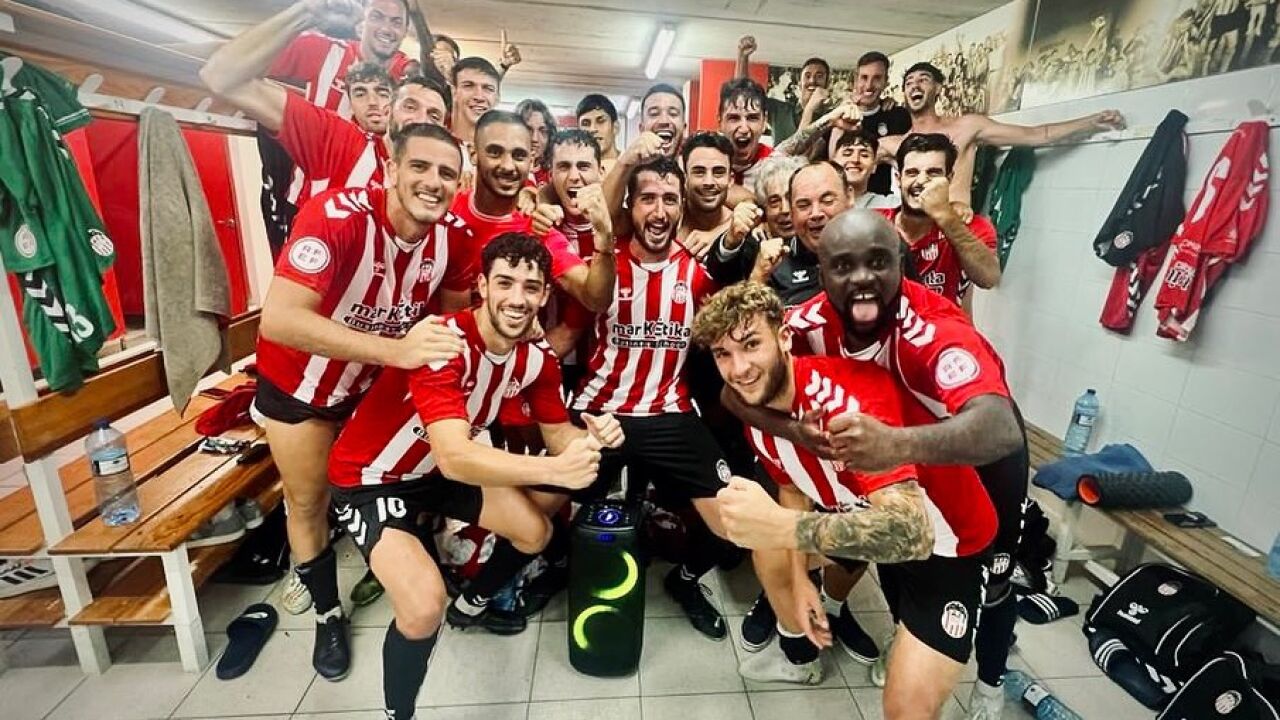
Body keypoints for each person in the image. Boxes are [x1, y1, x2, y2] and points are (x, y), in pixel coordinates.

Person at [743, 209, 1030, 720]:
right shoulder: (806, 323)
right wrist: (796, 431)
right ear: (822, 272)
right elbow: (736, 387)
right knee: (852, 548)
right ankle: (849, 624)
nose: (861, 279)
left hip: (980, 470)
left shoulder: (933, 327)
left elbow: (998, 430)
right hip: (887, 477)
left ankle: (990, 681)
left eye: (877, 262)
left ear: (901, 261)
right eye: (843, 266)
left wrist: (896, 444)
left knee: (992, 588)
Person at [327, 232, 625, 719]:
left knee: (535, 532)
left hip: (437, 470)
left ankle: (473, 602)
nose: (517, 298)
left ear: (545, 295)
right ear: (482, 286)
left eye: (531, 287)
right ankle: (398, 714)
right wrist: (554, 468)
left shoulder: (536, 357)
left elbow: (558, 435)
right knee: (423, 608)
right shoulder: (445, 343)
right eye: (504, 283)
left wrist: (593, 439)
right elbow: (456, 457)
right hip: (373, 476)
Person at [695, 282, 997, 717]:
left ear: (784, 338)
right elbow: (793, 489)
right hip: (859, 513)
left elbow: (910, 532)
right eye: (723, 354)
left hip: (946, 543)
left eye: (751, 344)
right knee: (771, 551)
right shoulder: (756, 411)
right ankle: (804, 650)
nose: (739, 368)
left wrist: (785, 528)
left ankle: (902, 635)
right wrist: (801, 578)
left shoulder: (841, 401)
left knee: (907, 709)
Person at [251, 123, 475, 680]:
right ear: (391, 169)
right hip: (301, 386)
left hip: (371, 390)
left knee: (390, 488)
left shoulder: (454, 238)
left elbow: (450, 324)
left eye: (447, 173)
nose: (433, 181)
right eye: (419, 166)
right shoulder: (336, 215)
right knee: (308, 502)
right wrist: (394, 350)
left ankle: (394, 567)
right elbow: (279, 318)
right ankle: (327, 614)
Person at [570, 156, 736, 639]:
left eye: (669, 200)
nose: (659, 212)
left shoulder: (697, 273)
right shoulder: (603, 264)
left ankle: (684, 581)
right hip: (600, 410)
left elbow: (728, 329)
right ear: (629, 206)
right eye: (647, 199)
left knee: (735, 524)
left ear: (682, 208)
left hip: (669, 411)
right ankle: (555, 569)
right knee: (540, 509)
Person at [202, 23, 452, 211]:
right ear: (391, 109)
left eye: (433, 114)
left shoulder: (446, 174)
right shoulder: (333, 139)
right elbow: (222, 76)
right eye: (410, 106)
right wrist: (304, 13)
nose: (421, 119)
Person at [882, 61, 1124, 207]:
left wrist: (1090, 122)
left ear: (938, 88)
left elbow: (1037, 135)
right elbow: (857, 154)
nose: (915, 86)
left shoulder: (967, 127)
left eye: (923, 80)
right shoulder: (895, 144)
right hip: (914, 236)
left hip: (955, 232)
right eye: (909, 82)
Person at [450, 110, 616, 314]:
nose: (508, 165)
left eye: (519, 155)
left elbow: (596, 300)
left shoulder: (538, 229)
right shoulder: (447, 207)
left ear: (531, 160)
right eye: (495, 152)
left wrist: (604, 239)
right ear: (473, 153)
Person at [707, 158, 843, 306]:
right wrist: (732, 240)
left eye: (791, 199)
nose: (784, 210)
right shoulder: (757, 249)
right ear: (764, 209)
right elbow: (721, 275)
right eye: (774, 202)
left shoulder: (845, 241)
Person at [887, 133, 998, 307]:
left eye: (933, 173)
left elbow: (989, 278)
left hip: (941, 323)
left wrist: (945, 217)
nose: (921, 181)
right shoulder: (874, 223)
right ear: (898, 179)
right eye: (912, 173)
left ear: (949, 178)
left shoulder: (970, 226)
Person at [265, 0, 419, 118]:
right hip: (318, 150)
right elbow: (256, 53)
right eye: (376, 17)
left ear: (405, 32)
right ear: (360, 25)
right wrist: (303, 14)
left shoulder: (407, 77)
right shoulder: (325, 51)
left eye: (396, 22)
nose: (386, 29)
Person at [734, 36, 832, 145]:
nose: (812, 81)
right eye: (807, 76)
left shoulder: (832, 118)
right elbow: (745, 97)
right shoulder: (780, 111)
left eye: (819, 76)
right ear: (800, 84)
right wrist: (742, 57)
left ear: (827, 84)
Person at [843, 52, 912, 194]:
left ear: (886, 82)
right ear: (855, 80)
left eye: (877, 78)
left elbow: (911, 155)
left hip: (884, 201)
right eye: (864, 77)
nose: (869, 85)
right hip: (844, 198)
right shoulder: (840, 116)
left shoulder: (898, 115)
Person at [678, 131, 735, 259]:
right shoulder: (668, 222)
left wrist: (722, 233)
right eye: (699, 172)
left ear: (730, 180)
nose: (709, 182)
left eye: (718, 172)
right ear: (685, 179)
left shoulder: (742, 230)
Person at [719, 78, 773, 189]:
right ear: (720, 122)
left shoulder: (777, 165)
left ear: (764, 122)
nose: (744, 129)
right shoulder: (707, 163)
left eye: (752, 118)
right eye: (734, 118)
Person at [450, 57, 503, 164]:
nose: (479, 97)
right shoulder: (434, 144)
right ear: (454, 92)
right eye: (468, 86)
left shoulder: (507, 153)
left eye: (488, 89)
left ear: (497, 98)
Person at [833, 132, 899, 209]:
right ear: (834, 162)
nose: (855, 159)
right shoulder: (821, 204)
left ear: (874, 166)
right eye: (847, 154)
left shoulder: (890, 205)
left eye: (864, 155)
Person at [515, 98, 556, 187]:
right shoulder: (505, 170)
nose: (535, 139)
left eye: (542, 131)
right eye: (528, 130)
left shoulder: (555, 174)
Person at [576, 93, 621, 172]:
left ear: (615, 127)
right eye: (585, 124)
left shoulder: (632, 166)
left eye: (601, 121)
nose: (593, 129)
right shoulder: (576, 171)